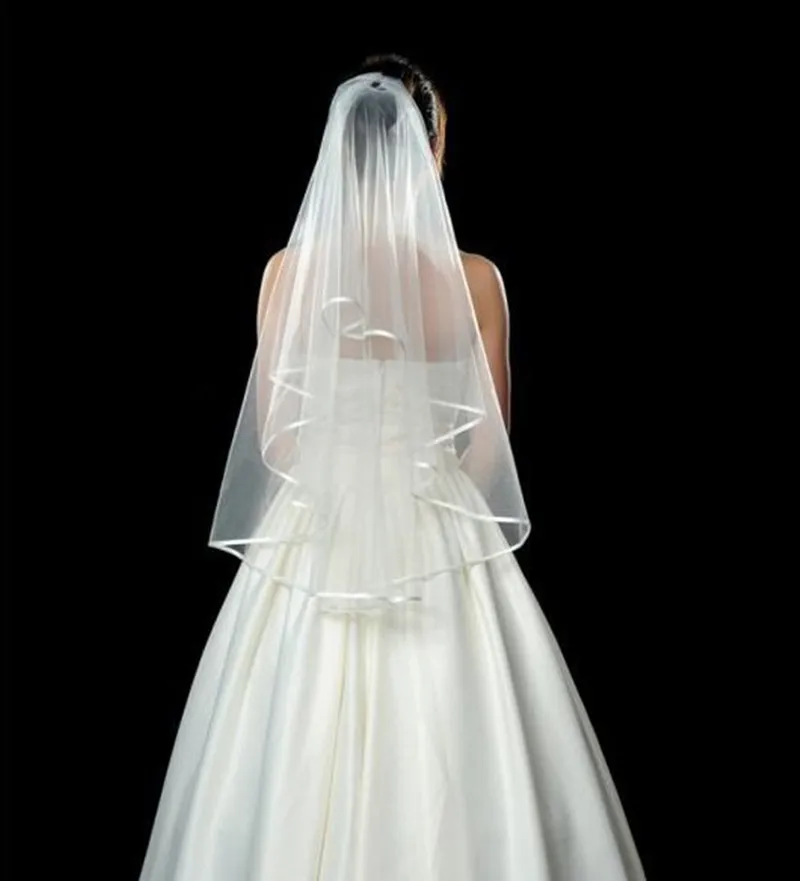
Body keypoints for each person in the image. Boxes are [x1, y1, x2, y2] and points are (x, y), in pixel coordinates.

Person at [139, 54, 647, 880]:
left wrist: (346, 469)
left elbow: (277, 440)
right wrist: (418, 474)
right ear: (430, 148)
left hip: (315, 536)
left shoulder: (286, 273)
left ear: (338, 154)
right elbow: (491, 448)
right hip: (435, 526)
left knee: (285, 728)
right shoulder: (475, 281)